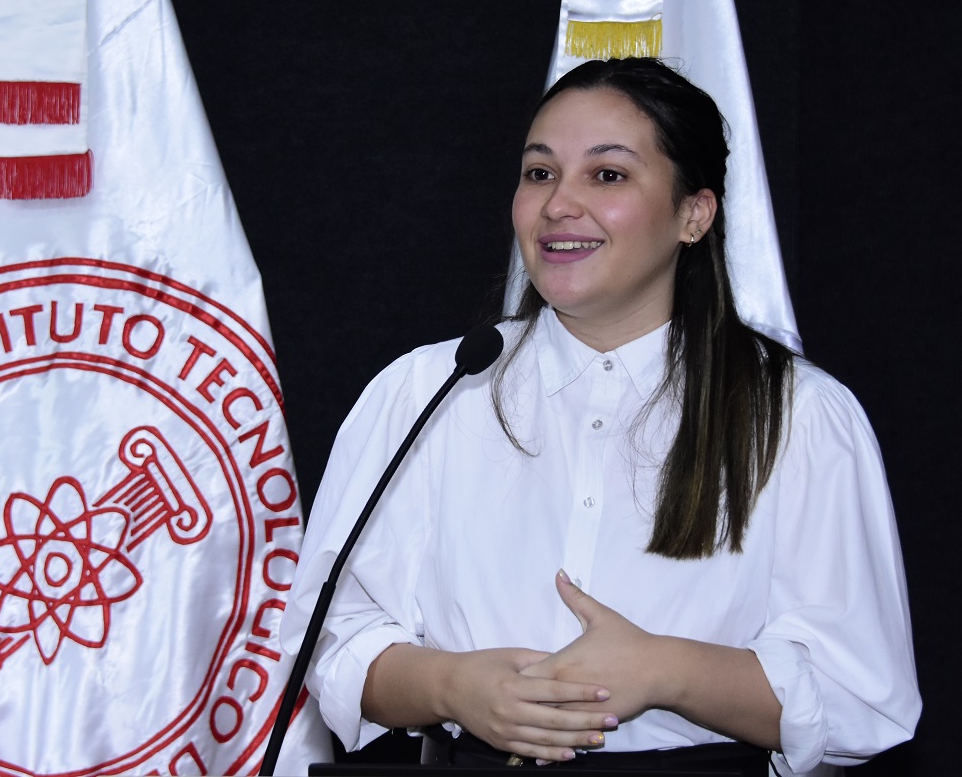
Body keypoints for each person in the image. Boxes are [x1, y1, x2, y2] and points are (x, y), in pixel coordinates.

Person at [280, 58, 920, 776]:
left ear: (693, 214)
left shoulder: (799, 415)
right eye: (540, 173)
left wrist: (666, 670)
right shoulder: (430, 390)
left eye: (607, 176)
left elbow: (863, 700)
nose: (558, 205)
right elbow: (331, 639)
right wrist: (450, 687)